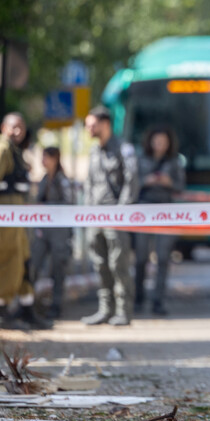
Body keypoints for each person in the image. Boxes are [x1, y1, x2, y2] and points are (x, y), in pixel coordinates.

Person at [0, 112, 49, 330]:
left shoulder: (14, 150)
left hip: (16, 211)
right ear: (3, 127)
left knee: (23, 258)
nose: (18, 131)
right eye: (13, 127)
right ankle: (2, 309)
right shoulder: (1, 149)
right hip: (5, 212)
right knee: (9, 258)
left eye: (21, 127)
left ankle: (27, 307)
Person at [83, 106, 140, 326]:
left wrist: (122, 211)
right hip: (95, 216)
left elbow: (132, 180)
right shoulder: (94, 151)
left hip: (115, 216)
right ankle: (105, 309)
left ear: (105, 124)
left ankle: (124, 311)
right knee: (100, 263)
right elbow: (89, 183)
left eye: (92, 125)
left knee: (119, 264)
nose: (89, 129)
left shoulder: (124, 149)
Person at [134, 127, 185, 315]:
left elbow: (181, 186)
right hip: (143, 211)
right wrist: (145, 181)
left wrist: (169, 182)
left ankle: (158, 301)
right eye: (157, 141)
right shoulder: (140, 159)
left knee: (163, 258)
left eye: (163, 141)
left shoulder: (174, 162)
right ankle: (138, 297)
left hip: (166, 211)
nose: (160, 145)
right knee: (141, 257)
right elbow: (131, 184)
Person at [29, 147, 74, 320]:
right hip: (43, 229)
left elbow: (68, 203)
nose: (43, 161)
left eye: (46, 157)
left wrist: (48, 207)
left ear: (55, 159)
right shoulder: (44, 179)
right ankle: (29, 303)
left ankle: (56, 305)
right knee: (34, 264)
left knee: (58, 269)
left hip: (59, 231)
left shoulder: (62, 180)